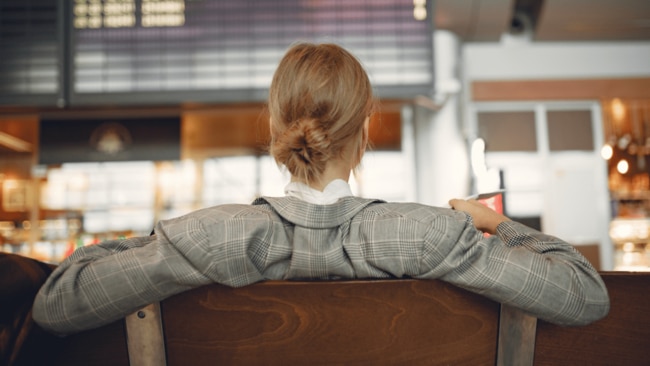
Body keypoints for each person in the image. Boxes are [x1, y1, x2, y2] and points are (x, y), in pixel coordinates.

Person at [33, 42, 610, 336]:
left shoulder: (205, 237)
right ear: (363, 137)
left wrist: (149, 241)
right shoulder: (434, 235)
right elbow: (585, 294)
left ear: (275, 130)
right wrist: (493, 224)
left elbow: (58, 304)